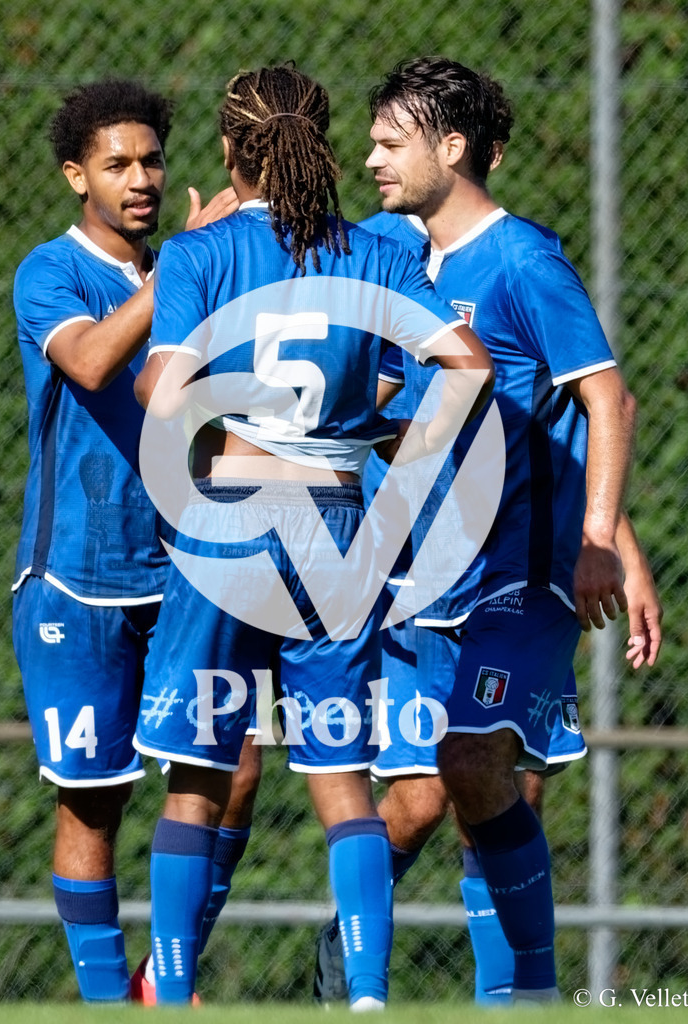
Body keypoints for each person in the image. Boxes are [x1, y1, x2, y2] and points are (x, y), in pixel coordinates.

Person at [130, 63, 495, 1009]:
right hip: (338, 525)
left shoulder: (199, 254)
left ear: (226, 149)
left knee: (200, 773)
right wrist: (391, 463)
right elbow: (464, 367)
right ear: (320, 141)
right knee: (340, 774)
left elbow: (161, 396)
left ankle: (169, 992)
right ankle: (366, 993)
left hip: (228, 520)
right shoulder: (371, 255)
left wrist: (238, 425)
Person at [315, 56, 662, 1005]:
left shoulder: (521, 261)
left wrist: (603, 539)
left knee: (480, 759)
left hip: (524, 565)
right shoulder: (392, 248)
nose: (372, 156)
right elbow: (392, 389)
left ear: (451, 146)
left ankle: (527, 995)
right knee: (434, 790)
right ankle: (355, 946)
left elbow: (604, 400)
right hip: (424, 567)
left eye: (391, 141)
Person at [11, 79, 236, 1003]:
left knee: (229, 769)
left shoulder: (188, 278)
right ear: (77, 176)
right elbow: (96, 359)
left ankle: (166, 988)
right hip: (76, 579)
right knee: (92, 800)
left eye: (151, 160)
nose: (141, 178)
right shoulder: (49, 272)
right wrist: (180, 263)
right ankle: (109, 1006)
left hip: (184, 568)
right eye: (118, 164)